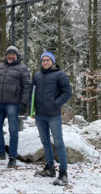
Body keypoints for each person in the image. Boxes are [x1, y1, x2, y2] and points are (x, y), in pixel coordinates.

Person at [31, 51, 72, 186]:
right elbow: (32, 93)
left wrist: (55, 103)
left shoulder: (60, 75)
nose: (45, 62)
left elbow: (67, 92)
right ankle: (49, 168)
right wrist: (32, 109)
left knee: (58, 143)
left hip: (53, 115)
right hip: (40, 115)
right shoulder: (36, 75)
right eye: (43, 60)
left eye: (48, 60)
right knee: (45, 142)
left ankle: (63, 173)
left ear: (53, 61)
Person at [0, 46, 31, 168]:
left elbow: (27, 87)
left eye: (13, 54)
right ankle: (1, 152)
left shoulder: (23, 68)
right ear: (6, 55)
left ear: (17, 56)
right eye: (8, 54)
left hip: (13, 103)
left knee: (13, 131)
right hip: (0, 103)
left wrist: (24, 103)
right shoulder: (0, 67)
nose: (10, 56)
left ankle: (13, 156)